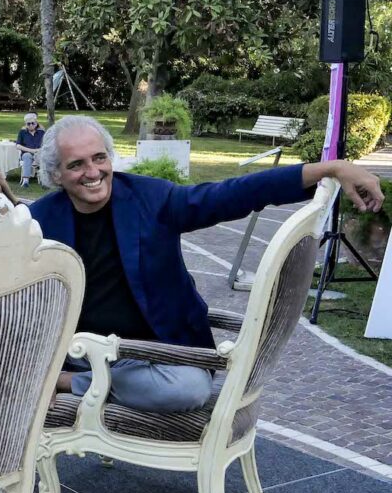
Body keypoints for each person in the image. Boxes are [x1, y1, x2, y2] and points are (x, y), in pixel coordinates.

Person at [32, 115, 384, 413]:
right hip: (84, 352)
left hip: (164, 355)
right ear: (56, 175)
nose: (92, 172)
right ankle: (75, 380)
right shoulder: (40, 220)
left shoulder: (153, 199)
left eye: (99, 158)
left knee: (188, 390)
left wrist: (331, 168)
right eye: (76, 165)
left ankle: (72, 385)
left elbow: (233, 194)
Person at [16, 112, 44, 187]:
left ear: (36, 123)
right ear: (26, 124)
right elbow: (18, 145)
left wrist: (39, 150)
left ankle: (44, 179)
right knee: (27, 156)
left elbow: (46, 145)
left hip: (38, 153)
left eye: (33, 123)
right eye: (28, 124)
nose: (31, 125)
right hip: (27, 153)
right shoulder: (22, 132)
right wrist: (30, 150)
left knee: (43, 157)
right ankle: (25, 181)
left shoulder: (41, 132)